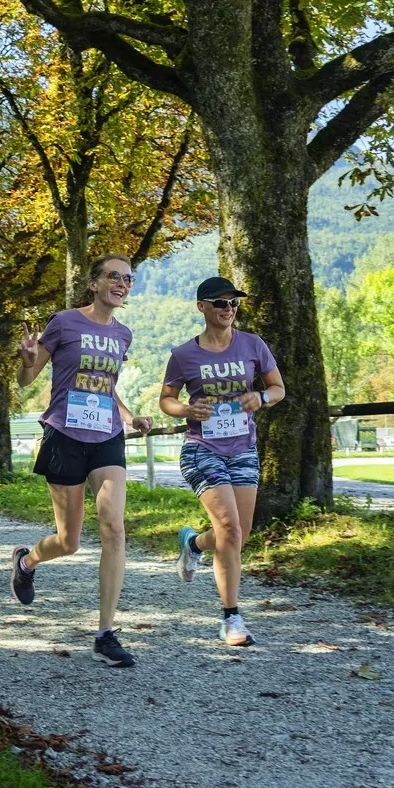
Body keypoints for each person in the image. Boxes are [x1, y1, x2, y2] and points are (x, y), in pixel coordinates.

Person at [12, 253, 153, 668]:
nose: (122, 284)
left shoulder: (123, 335)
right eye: (114, 276)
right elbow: (27, 379)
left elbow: (105, 387)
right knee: (69, 542)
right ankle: (27, 560)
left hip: (106, 436)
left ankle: (105, 634)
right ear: (93, 283)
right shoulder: (64, 322)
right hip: (64, 435)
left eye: (128, 279)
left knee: (113, 527)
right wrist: (25, 358)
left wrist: (129, 417)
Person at [159, 276, 284, 647]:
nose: (228, 309)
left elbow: (278, 387)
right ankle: (232, 618)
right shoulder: (184, 354)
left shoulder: (252, 344)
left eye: (233, 304)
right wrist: (186, 408)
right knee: (229, 528)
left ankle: (194, 544)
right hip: (202, 449)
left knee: (237, 534)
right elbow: (166, 399)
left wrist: (261, 398)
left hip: (243, 448)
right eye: (219, 303)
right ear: (202, 307)